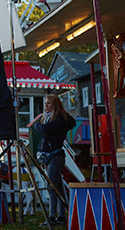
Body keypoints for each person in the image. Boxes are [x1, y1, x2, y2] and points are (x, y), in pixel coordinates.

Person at [27, 94, 76, 224]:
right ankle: (61, 216)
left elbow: (45, 129)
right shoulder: (50, 119)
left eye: (48, 103)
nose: (46, 106)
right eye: (45, 103)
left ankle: (52, 217)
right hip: (49, 156)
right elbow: (45, 136)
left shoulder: (59, 119)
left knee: (51, 187)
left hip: (56, 156)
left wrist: (37, 125)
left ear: (55, 105)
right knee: (58, 187)